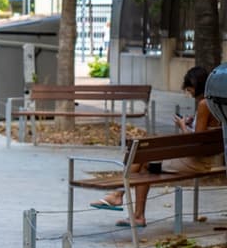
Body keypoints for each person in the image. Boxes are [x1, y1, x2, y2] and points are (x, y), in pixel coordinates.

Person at [90, 66, 223, 227]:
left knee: (143, 158)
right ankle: (132, 210)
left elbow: (197, 140)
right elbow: (205, 132)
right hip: (203, 159)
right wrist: (191, 122)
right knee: (145, 161)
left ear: (196, 86)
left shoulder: (204, 104)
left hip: (196, 162)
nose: (188, 92)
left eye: (189, 89)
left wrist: (182, 125)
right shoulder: (217, 103)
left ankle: (119, 196)